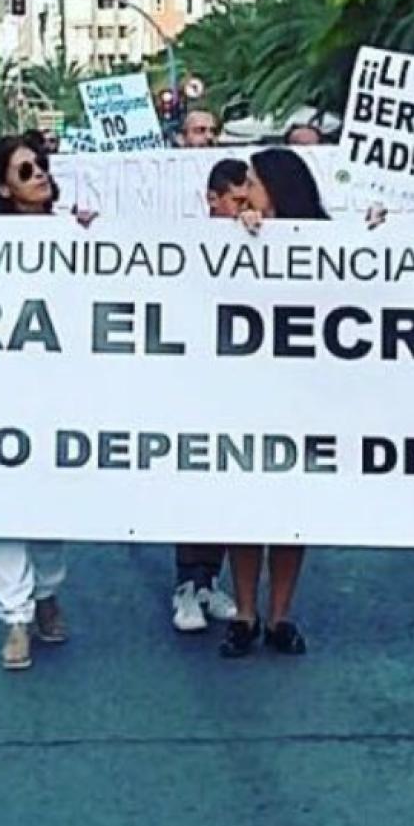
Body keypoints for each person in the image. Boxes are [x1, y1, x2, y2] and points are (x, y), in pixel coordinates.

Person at [0, 132, 91, 669]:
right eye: (25, 171)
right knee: (3, 505)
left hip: (57, 390)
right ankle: (14, 618)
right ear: (1, 186)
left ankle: (47, 594)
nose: (40, 175)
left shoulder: (74, 232)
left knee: (49, 502)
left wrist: (93, 237)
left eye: (41, 165)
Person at [220, 147, 327, 657]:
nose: (246, 191)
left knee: (291, 510)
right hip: (244, 396)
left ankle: (280, 615)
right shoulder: (236, 237)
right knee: (245, 508)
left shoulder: (328, 239)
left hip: (303, 398)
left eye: (254, 182)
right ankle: (245, 612)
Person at [170, 159, 249, 634]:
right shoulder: (189, 245)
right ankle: (186, 584)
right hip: (196, 386)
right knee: (192, 485)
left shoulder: (270, 241)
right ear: (212, 200)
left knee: (228, 487)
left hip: (243, 390)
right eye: (236, 201)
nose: (246, 208)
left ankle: (207, 582)